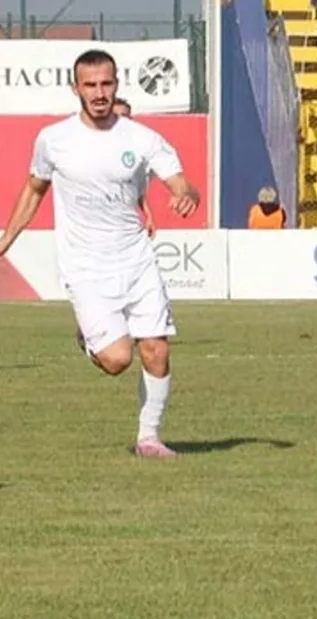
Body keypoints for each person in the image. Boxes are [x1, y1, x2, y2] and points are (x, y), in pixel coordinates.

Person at [0, 49, 201, 458]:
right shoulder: (54, 139)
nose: (98, 92)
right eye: (89, 85)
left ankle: (149, 438)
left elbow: (181, 182)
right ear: (75, 88)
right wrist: (6, 239)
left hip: (136, 258)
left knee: (157, 348)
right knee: (116, 359)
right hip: (85, 263)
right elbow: (34, 190)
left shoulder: (141, 138)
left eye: (106, 84)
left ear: (116, 85)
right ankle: (90, 338)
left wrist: (184, 195)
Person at [112, 98, 157, 240]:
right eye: (116, 117)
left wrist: (148, 216)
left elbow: (138, 191)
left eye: (124, 117)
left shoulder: (139, 151)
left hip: (126, 225)